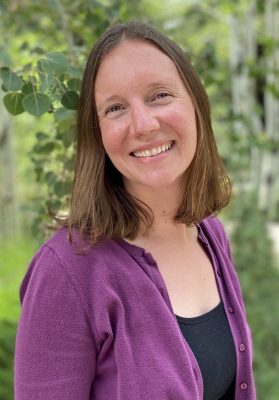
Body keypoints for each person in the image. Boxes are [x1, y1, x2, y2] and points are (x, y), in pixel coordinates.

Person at [14, 21, 256, 400]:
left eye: (159, 95)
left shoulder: (209, 234)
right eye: (115, 108)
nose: (143, 124)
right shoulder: (66, 273)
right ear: (98, 133)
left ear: (195, 103)